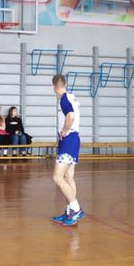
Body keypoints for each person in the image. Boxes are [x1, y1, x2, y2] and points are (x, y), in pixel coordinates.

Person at [50, 74, 84, 227]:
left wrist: (64, 130)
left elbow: (70, 116)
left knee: (57, 177)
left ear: (53, 86)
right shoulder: (72, 97)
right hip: (75, 139)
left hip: (69, 140)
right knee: (69, 176)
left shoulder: (63, 99)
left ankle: (75, 208)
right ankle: (70, 210)